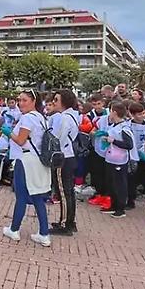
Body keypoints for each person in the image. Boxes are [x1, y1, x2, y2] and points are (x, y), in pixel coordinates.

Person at [2, 90, 53, 247]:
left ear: (33, 101)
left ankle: (14, 229)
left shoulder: (27, 118)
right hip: (39, 161)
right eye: (19, 100)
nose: (20, 103)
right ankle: (44, 233)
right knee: (37, 196)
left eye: (24, 100)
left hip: (26, 160)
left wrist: (8, 133)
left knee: (21, 196)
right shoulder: (42, 117)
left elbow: (21, 140)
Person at [47, 89, 80, 235]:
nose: (53, 102)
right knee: (69, 191)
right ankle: (69, 221)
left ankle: (65, 224)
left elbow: (58, 137)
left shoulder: (64, 117)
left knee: (64, 192)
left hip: (63, 157)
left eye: (56, 100)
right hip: (69, 155)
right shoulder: (72, 115)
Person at [101, 101, 135, 219]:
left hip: (120, 160)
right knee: (111, 183)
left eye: (110, 111)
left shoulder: (124, 128)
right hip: (110, 158)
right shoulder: (113, 126)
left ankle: (120, 208)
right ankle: (113, 205)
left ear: (114, 112)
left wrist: (113, 141)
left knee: (119, 184)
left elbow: (129, 145)